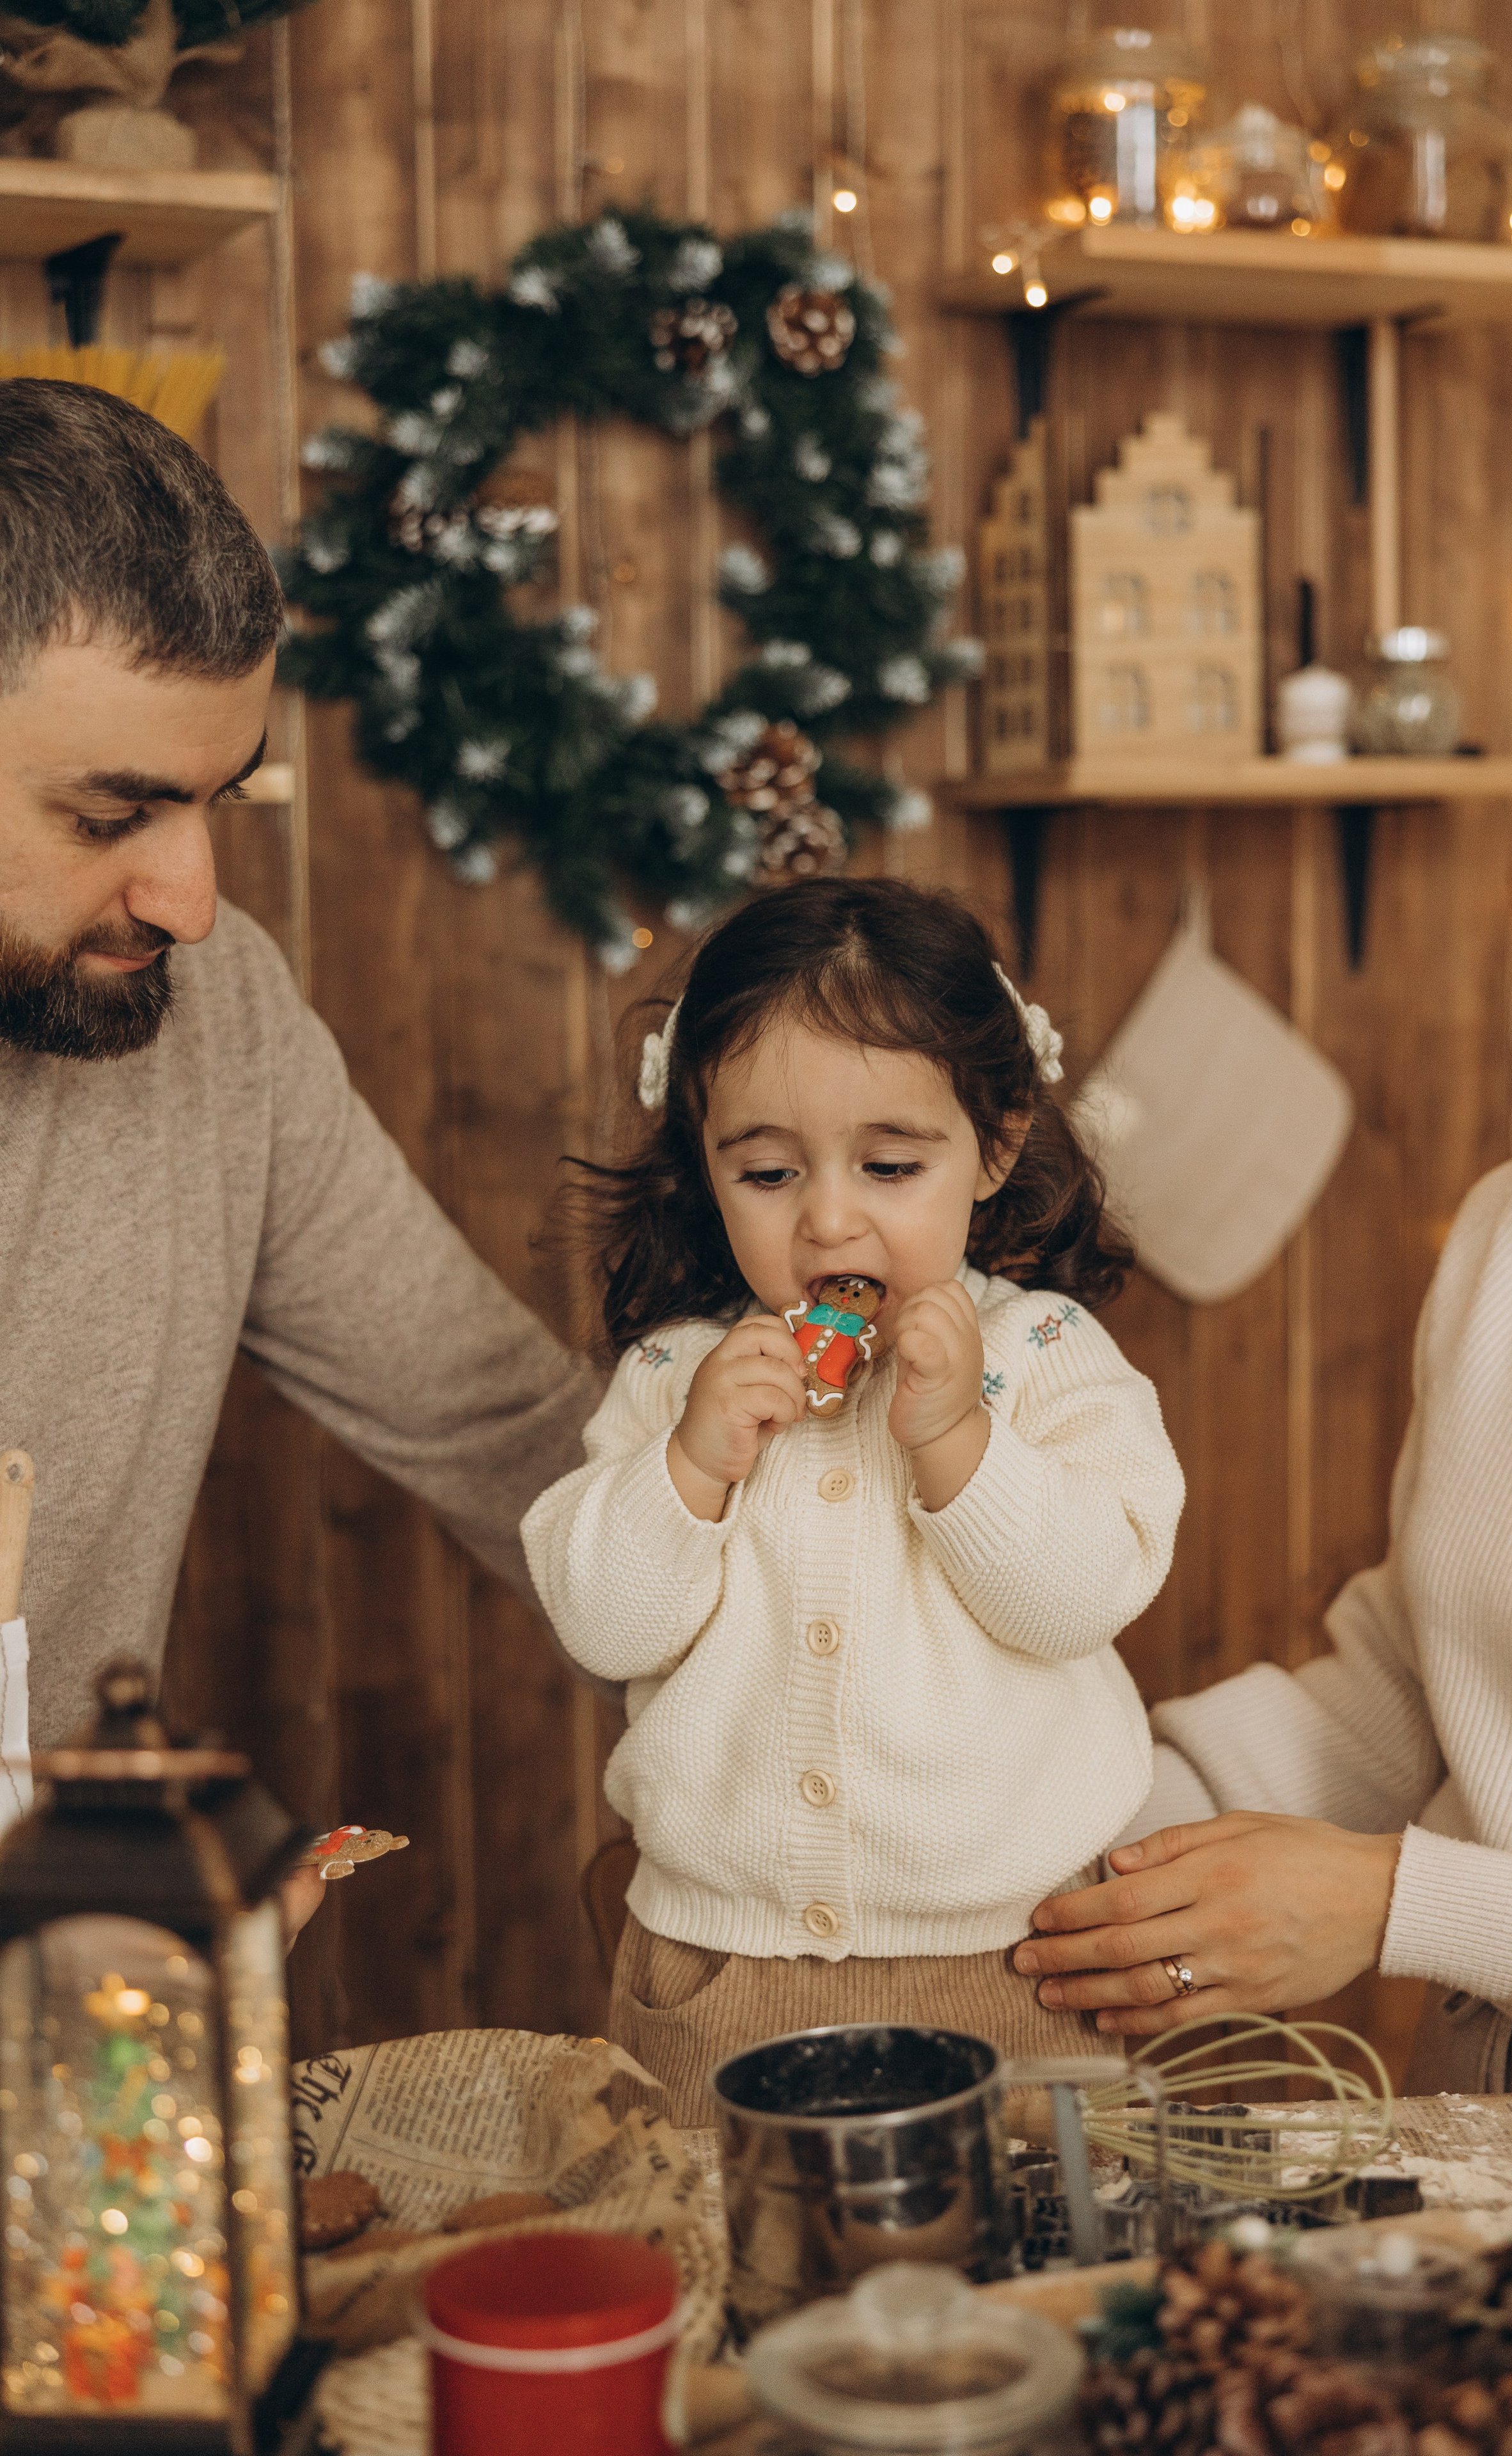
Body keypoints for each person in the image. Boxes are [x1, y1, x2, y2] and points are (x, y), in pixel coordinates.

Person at [0, 377, 599, 1917]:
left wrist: (888, 1672)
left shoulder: (221, 1017)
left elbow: (504, 1433)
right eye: (111, 815)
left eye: (219, 799)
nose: (193, 897)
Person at [1011, 696, 1512, 2096]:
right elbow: (1414, 1679)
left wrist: (1408, 1905)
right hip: (1482, 2158)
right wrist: (1084, 1849)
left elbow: (1400, 1883)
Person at [523, 877, 1185, 2123]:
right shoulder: (674, 1376)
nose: (829, 1218)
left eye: (888, 1165)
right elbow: (600, 1626)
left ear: (991, 1144)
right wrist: (693, 1466)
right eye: (767, 1172)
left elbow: (1082, 1599)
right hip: (718, 1974)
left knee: (1031, 2278)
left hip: (1017, 1967)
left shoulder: (1042, 1356)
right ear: (705, 1168)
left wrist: (955, 1443)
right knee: (731, 2275)